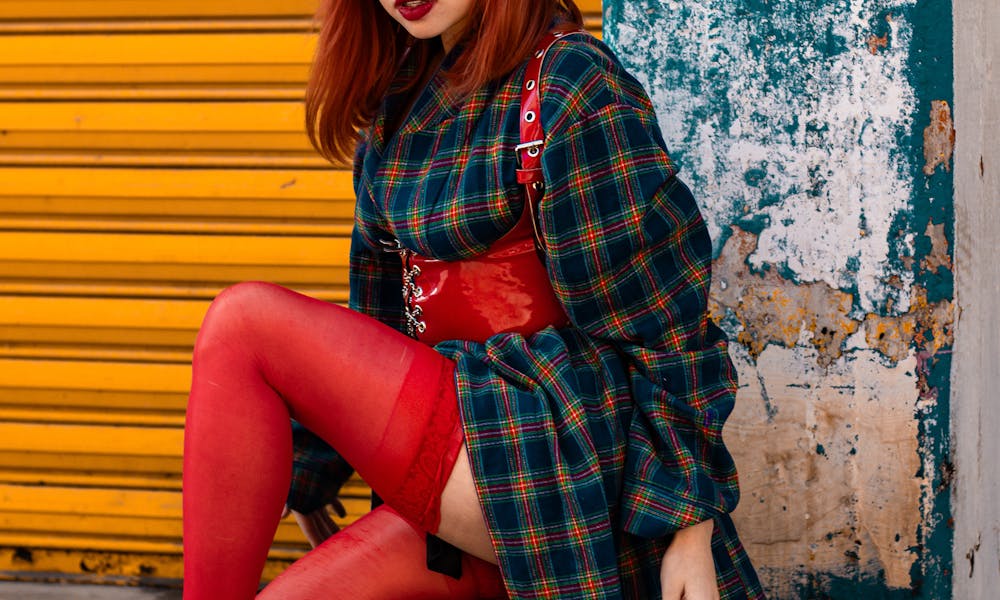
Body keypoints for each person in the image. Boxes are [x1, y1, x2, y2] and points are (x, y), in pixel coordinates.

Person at [181, 0, 765, 598]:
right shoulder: (399, 101)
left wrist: (690, 526)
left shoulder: (570, 78)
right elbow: (377, 322)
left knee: (241, 321)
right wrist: (307, 476)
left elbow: (664, 320)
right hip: (458, 475)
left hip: (553, 450)